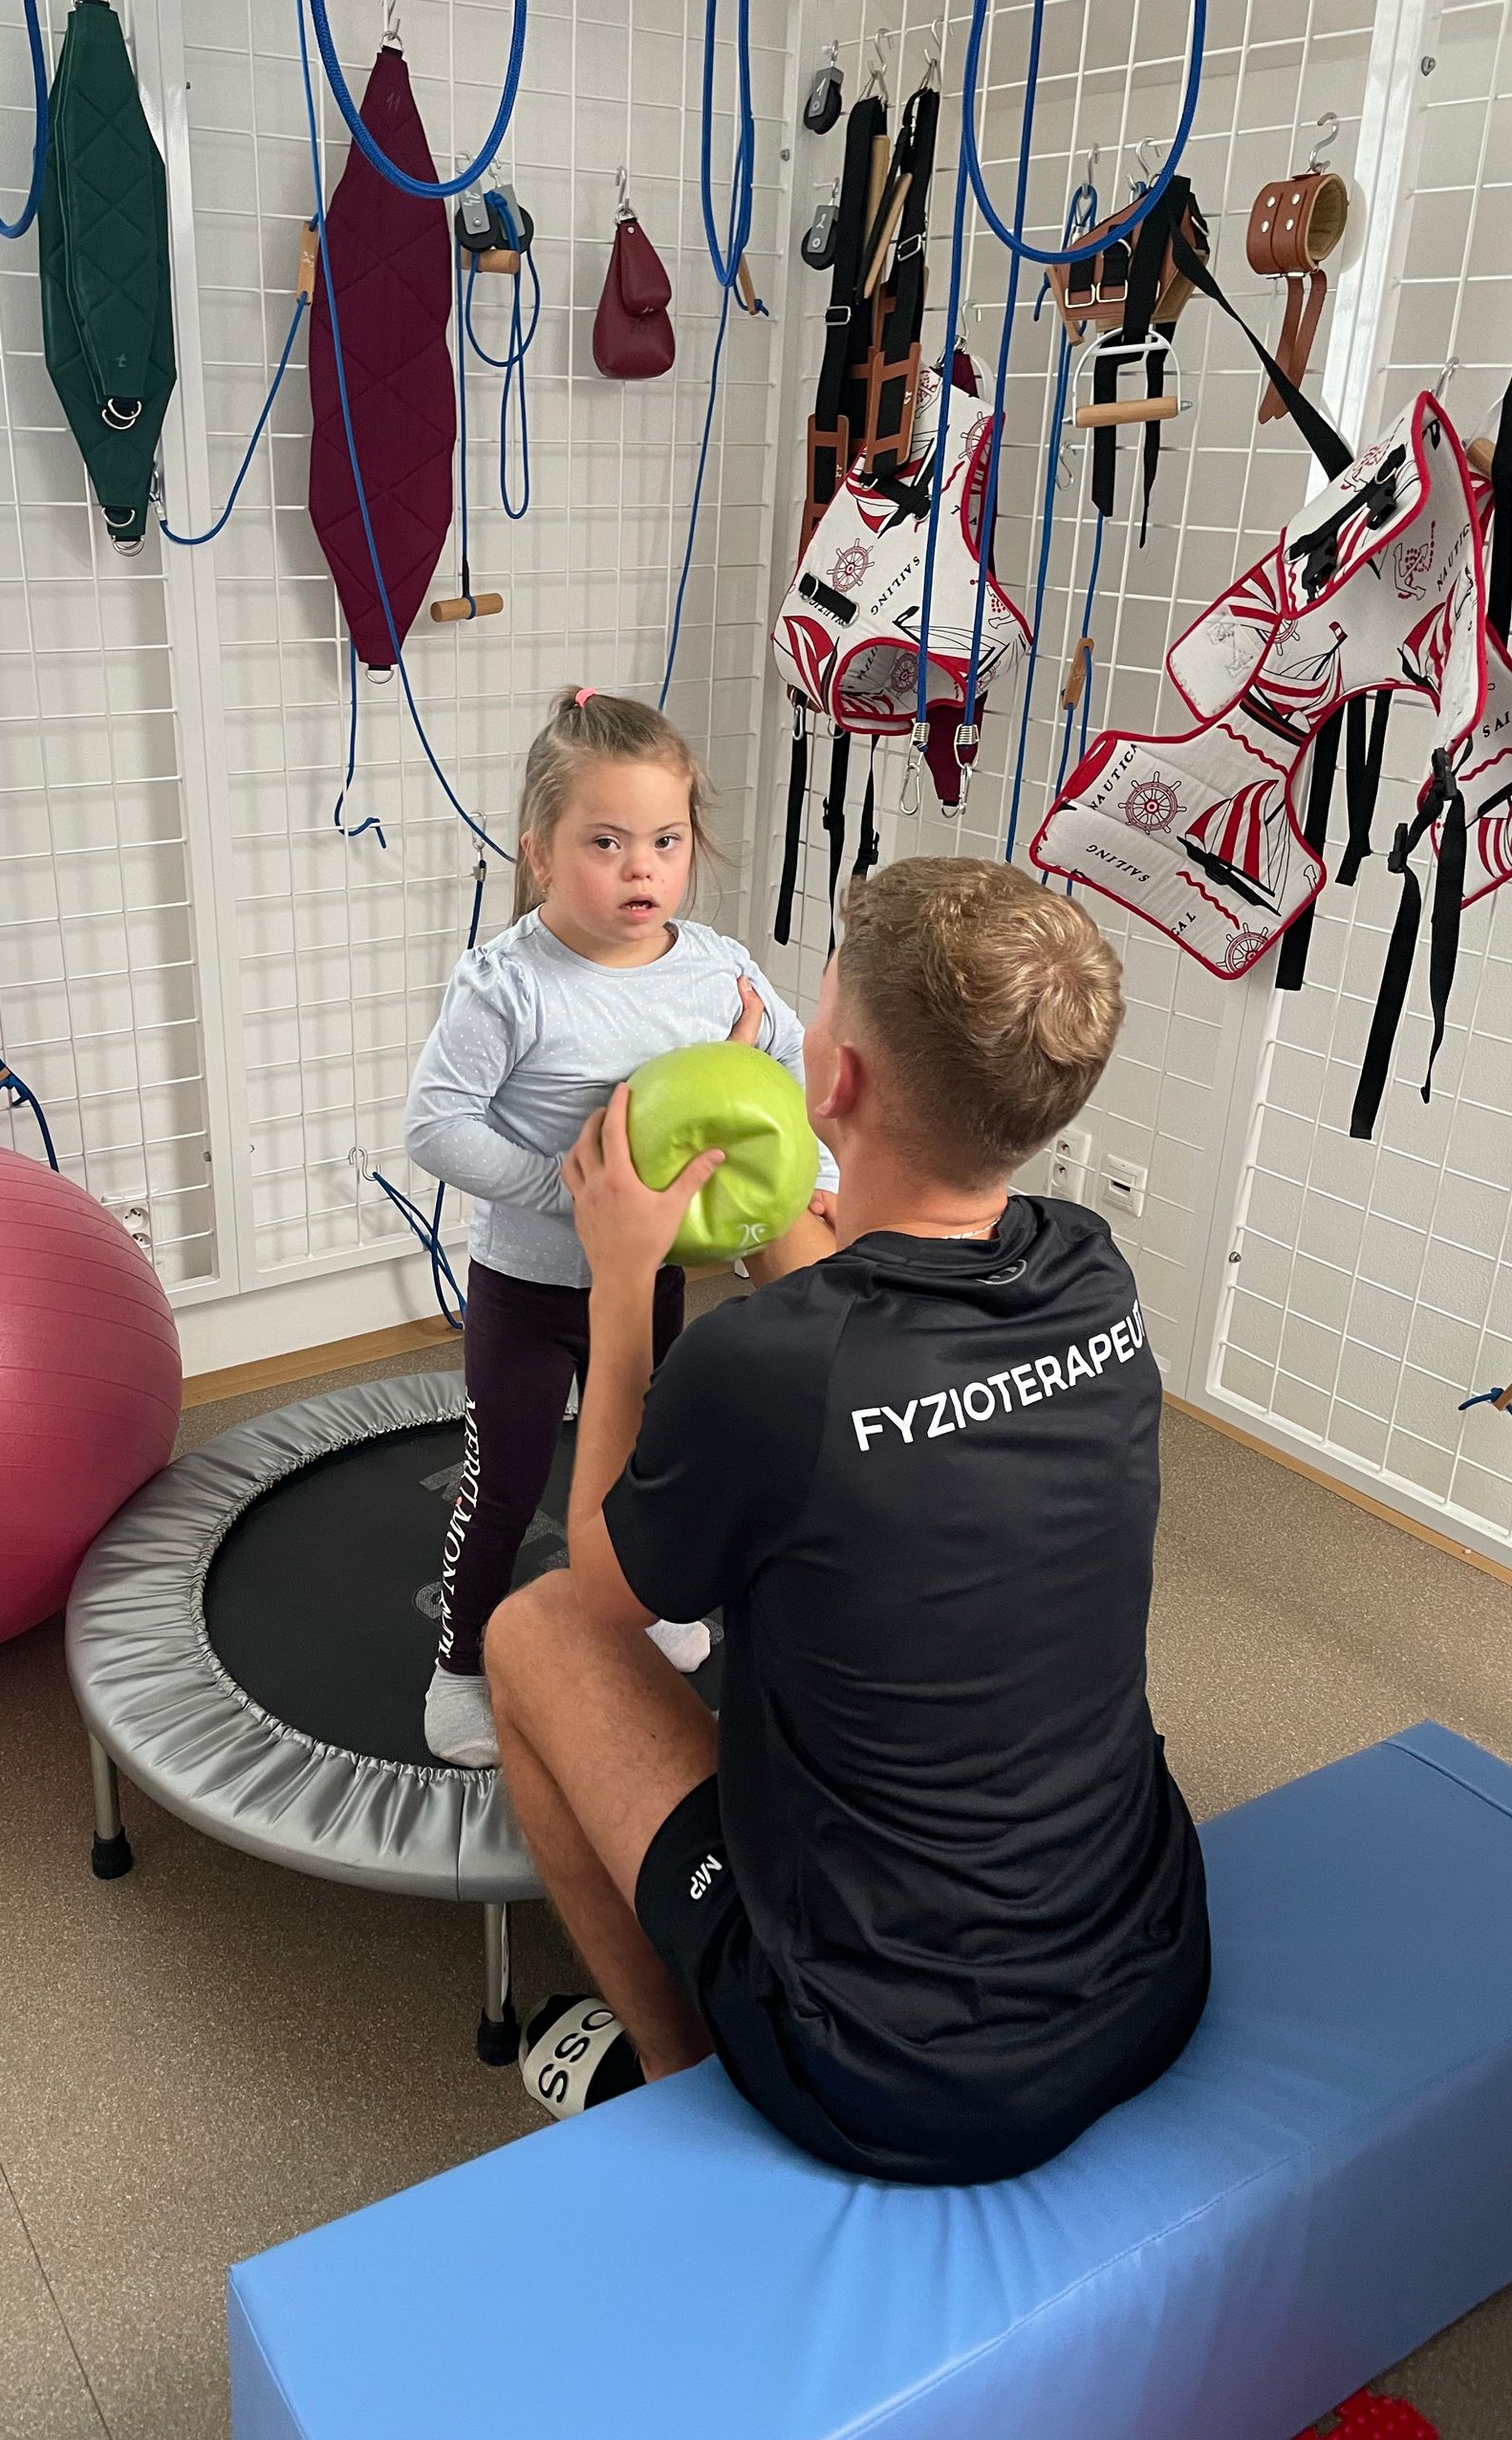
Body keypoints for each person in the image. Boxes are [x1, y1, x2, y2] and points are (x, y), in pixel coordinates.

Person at [485, 856, 1211, 2185]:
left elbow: (609, 1584)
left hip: (892, 2072)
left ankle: (669, 2072)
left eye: (821, 1005)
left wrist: (622, 1278)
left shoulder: (757, 1371)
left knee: (531, 1631)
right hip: (1151, 1974)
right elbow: (871, 1322)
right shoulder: (1087, 1273)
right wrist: (770, 1216)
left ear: (843, 1080)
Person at [403, 686, 836, 1769]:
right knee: (502, 1479)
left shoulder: (717, 967)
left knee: (656, 1462)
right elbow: (435, 1125)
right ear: (542, 852)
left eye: (665, 839)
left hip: (657, 1285)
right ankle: (460, 1662)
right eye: (606, 842)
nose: (641, 868)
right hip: (530, 1286)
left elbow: (791, 1074)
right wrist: (579, 1200)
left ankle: (651, 1602)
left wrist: (815, 1177)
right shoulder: (507, 985)